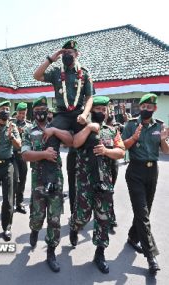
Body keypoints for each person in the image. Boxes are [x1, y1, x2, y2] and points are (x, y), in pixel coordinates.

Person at [69, 96, 125, 274]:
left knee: (103, 219)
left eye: (104, 110)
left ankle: (99, 253)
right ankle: (74, 226)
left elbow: (121, 152)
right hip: (85, 182)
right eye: (98, 110)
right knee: (82, 216)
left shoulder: (111, 131)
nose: (101, 113)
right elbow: (75, 142)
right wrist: (89, 128)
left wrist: (106, 151)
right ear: (92, 111)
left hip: (104, 183)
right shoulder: (84, 127)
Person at [33, 39, 94, 191]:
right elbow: (37, 75)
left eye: (70, 53)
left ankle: (96, 178)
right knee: (49, 135)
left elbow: (89, 97)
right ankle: (50, 181)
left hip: (79, 113)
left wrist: (85, 114)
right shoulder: (56, 72)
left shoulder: (85, 74)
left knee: (93, 137)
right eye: (64, 53)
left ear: (77, 54)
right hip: (62, 114)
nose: (67, 55)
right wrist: (51, 58)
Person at [22, 96, 73, 272]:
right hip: (38, 180)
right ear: (33, 112)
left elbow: (70, 141)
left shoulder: (56, 126)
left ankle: (51, 251)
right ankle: (34, 230)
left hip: (56, 179)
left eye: (43, 109)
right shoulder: (29, 130)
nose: (40, 112)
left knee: (55, 218)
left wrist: (55, 132)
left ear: (48, 111)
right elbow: (25, 155)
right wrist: (44, 154)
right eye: (37, 110)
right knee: (37, 216)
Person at [122, 93, 169, 275]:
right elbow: (122, 147)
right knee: (142, 213)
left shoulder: (159, 126)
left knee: (144, 211)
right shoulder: (131, 124)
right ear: (139, 108)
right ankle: (151, 256)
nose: (146, 110)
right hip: (135, 171)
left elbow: (166, 151)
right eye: (143, 107)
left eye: (150, 107)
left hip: (152, 171)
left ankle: (133, 237)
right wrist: (133, 138)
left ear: (155, 109)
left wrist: (164, 138)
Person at [0, 100, 21, 241]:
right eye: (3, 109)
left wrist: (12, 137)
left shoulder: (12, 127)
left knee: (8, 198)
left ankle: (7, 227)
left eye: (8, 109)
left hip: (8, 165)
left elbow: (19, 145)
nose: (5, 111)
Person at [11, 102, 31, 214]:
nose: (22, 115)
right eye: (20, 113)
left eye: (24, 113)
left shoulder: (29, 125)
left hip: (23, 156)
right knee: (15, 179)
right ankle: (11, 202)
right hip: (12, 156)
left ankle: (19, 203)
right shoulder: (11, 123)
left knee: (22, 180)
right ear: (17, 112)